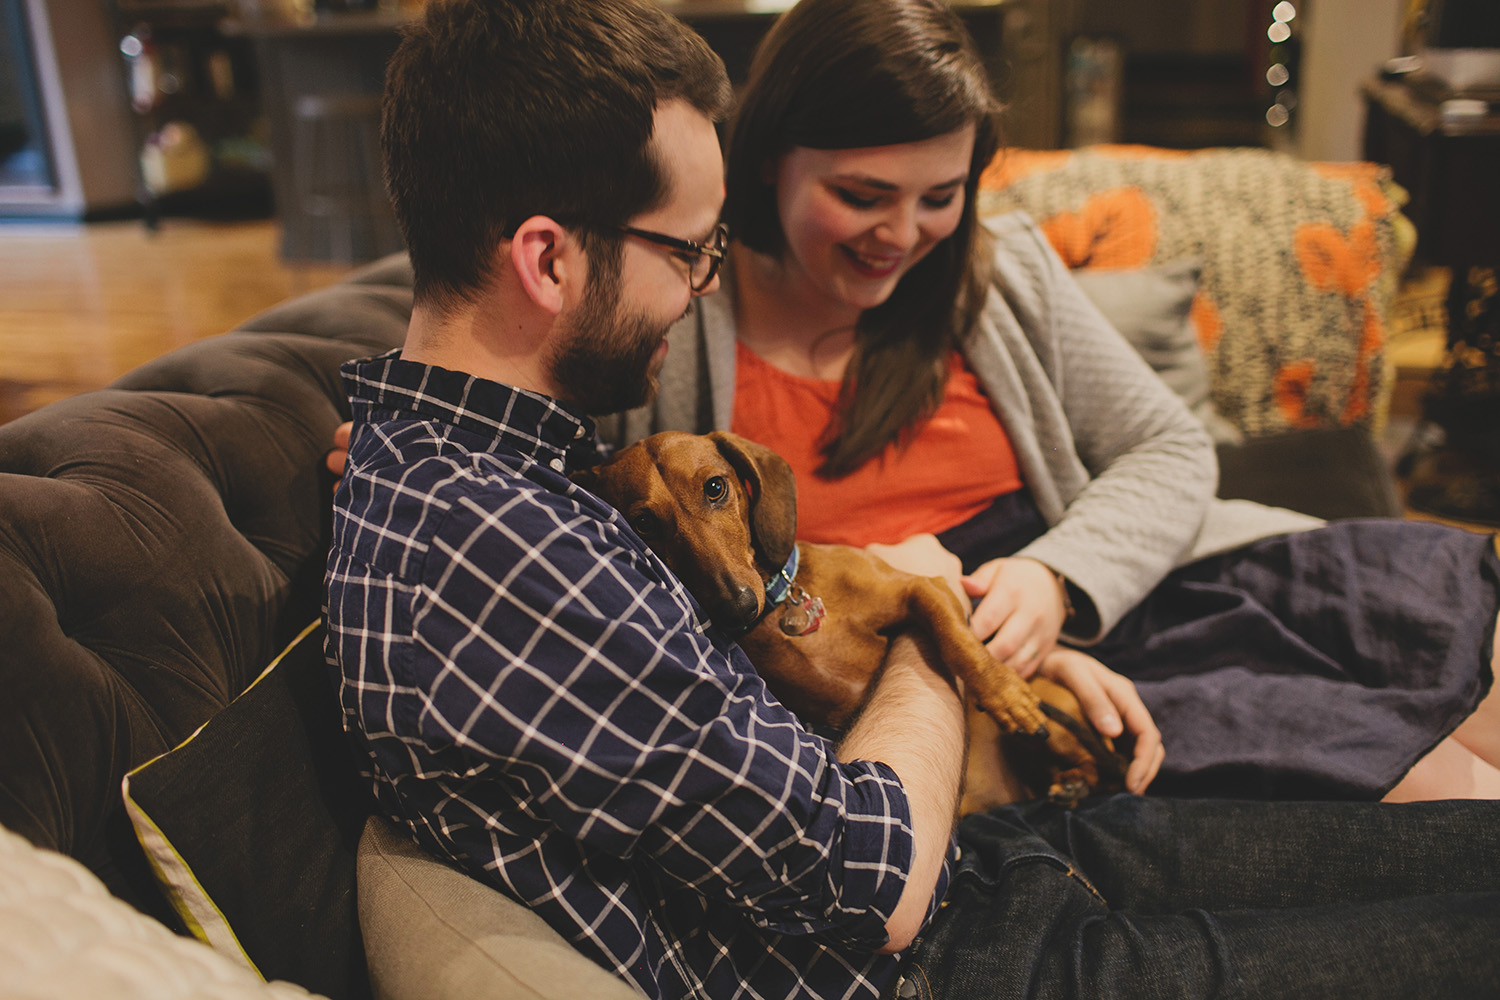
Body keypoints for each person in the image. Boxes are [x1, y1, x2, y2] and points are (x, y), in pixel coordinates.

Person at [325, 0, 1500, 998]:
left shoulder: (491, 474)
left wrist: (1034, 591)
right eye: (692, 250)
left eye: (939, 196)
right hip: (958, 866)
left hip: (1022, 686)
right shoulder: (503, 522)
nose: (698, 285)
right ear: (548, 260)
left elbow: (1162, 453)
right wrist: (923, 615)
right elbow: (861, 872)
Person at [592, 0, 1500, 805]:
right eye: (860, 196)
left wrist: (1057, 580)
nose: (902, 237)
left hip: (1140, 578)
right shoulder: (675, 335)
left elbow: (1170, 451)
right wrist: (996, 651)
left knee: (1462, 629)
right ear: (766, 163)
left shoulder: (998, 269)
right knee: (1449, 791)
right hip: (1009, 671)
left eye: (939, 197)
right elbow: (680, 603)